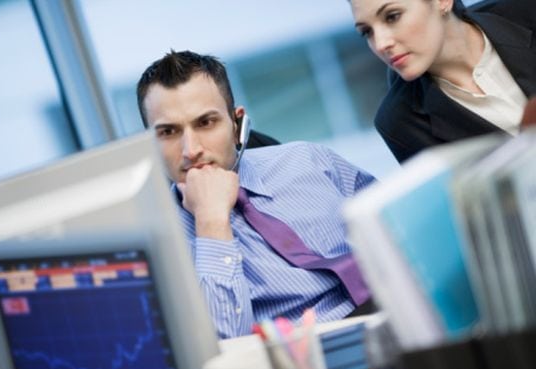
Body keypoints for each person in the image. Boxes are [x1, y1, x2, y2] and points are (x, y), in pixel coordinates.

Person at [136, 50, 375, 338]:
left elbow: (397, 226)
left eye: (205, 123)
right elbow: (227, 344)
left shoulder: (307, 160)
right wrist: (211, 221)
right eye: (168, 132)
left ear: (236, 123)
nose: (191, 150)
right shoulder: (160, 249)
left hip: (395, 305)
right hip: (306, 355)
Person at [349, 0, 536, 162]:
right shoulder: (400, 122)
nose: (381, 44)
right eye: (367, 32)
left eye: (392, 16)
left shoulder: (528, 12)